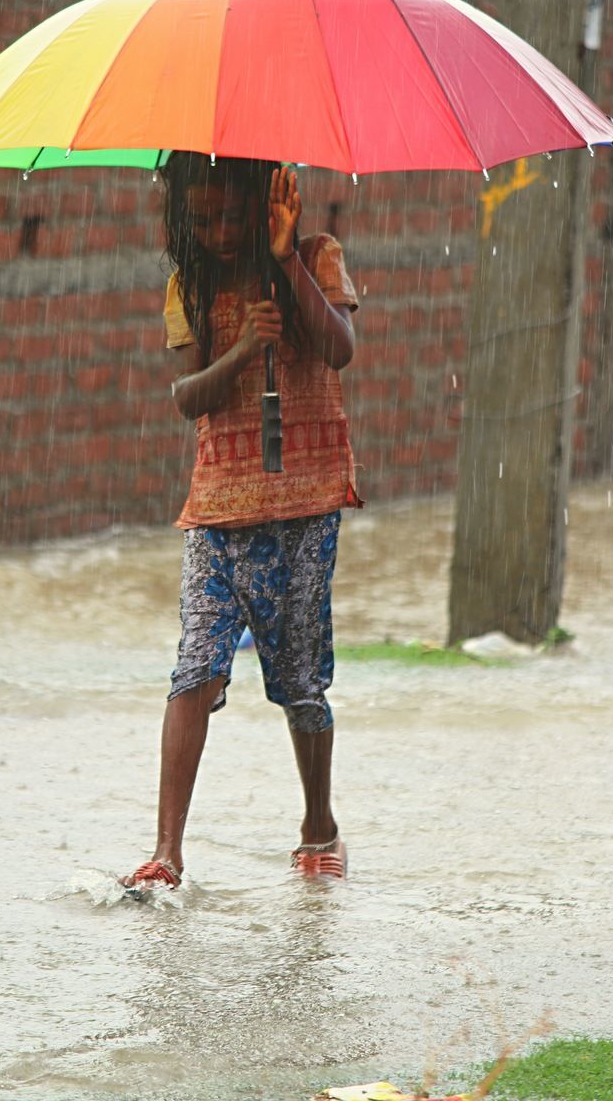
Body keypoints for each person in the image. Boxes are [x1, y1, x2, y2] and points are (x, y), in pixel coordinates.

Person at [123, 151, 362, 892]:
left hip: (304, 504)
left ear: (265, 204)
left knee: (299, 678)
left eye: (234, 216)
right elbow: (189, 396)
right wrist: (241, 351)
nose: (221, 232)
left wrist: (287, 260)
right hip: (217, 510)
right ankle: (167, 851)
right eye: (203, 220)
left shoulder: (316, 256)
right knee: (195, 664)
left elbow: (339, 349)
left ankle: (318, 826)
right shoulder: (187, 286)